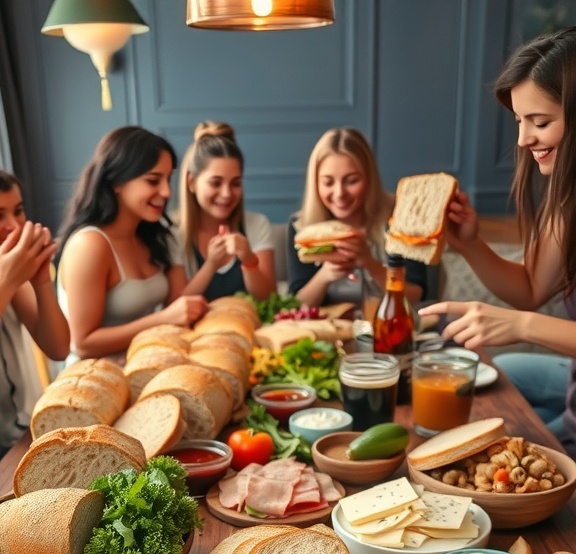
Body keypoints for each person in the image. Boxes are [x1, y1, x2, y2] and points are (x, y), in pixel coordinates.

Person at [419, 27, 576, 457]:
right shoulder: (566, 201)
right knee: (497, 382)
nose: (524, 140)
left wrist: (521, 327)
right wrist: (471, 244)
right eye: (520, 122)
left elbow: (525, 314)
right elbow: (530, 290)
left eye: (540, 122)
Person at [56, 126, 208, 363]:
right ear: (117, 181)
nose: (167, 191)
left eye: (168, 179)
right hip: (95, 382)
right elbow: (83, 343)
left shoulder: (156, 236)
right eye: (153, 180)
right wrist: (162, 319)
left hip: (146, 365)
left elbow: (178, 307)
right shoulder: (90, 245)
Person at [286, 127, 427, 309]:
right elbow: (295, 307)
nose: (339, 193)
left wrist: (370, 264)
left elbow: (416, 296)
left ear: (369, 178)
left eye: (351, 180)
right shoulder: (301, 227)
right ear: (315, 183)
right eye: (328, 182)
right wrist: (326, 275)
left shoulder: (402, 217)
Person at [0, 170, 69, 456]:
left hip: (24, 436)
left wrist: (40, 280)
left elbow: (58, 348)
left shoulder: (12, 275)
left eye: (18, 211)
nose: (14, 227)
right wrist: (7, 280)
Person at [178, 121, 276, 302]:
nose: (226, 194)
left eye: (235, 183)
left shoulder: (257, 224)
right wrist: (210, 265)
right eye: (216, 183)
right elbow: (174, 307)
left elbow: (269, 300)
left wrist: (248, 260)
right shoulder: (174, 232)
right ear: (191, 182)